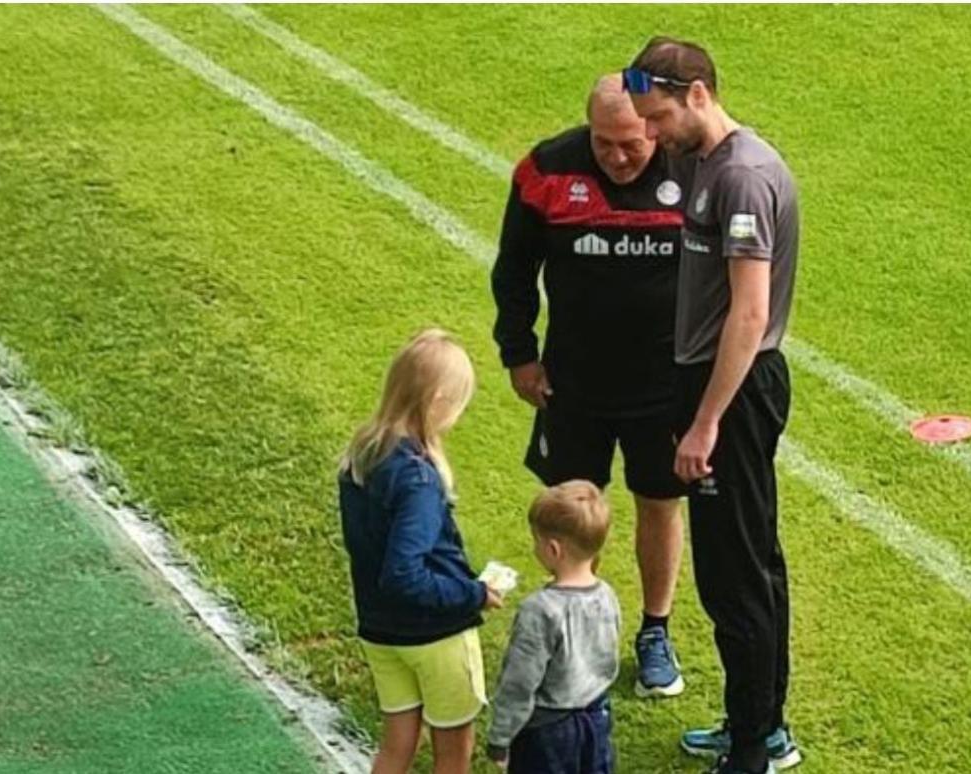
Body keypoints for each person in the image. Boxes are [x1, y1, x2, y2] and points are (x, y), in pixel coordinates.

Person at [625, 37, 803, 774]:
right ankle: (754, 723)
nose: (653, 137)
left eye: (659, 118)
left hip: (734, 390)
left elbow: (748, 315)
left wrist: (705, 422)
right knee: (741, 564)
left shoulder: (743, 179)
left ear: (698, 94)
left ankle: (757, 746)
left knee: (738, 575)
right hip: (708, 384)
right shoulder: (700, 162)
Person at [491, 74, 687, 698]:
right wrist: (519, 355)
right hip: (573, 381)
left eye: (631, 143)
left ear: (654, 129)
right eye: (604, 143)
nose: (617, 157)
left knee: (660, 501)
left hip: (664, 385)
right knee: (573, 509)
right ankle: (577, 632)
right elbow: (514, 270)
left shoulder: (693, 171)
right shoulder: (546, 170)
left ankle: (656, 630)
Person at [337, 329, 504, 774]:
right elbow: (404, 573)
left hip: (380, 631)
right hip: (436, 637)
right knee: (453, 754)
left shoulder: (362, 455)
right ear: (439, 401)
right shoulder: (419, 480)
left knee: (397, 745)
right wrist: (474, 594)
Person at [486, 480, 621, 774]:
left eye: (536, 540)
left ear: (553, 549)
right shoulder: (607, 595)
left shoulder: (540, 610)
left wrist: (500, 738)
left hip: (547, 731)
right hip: (597, 716)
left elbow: (519, 682)